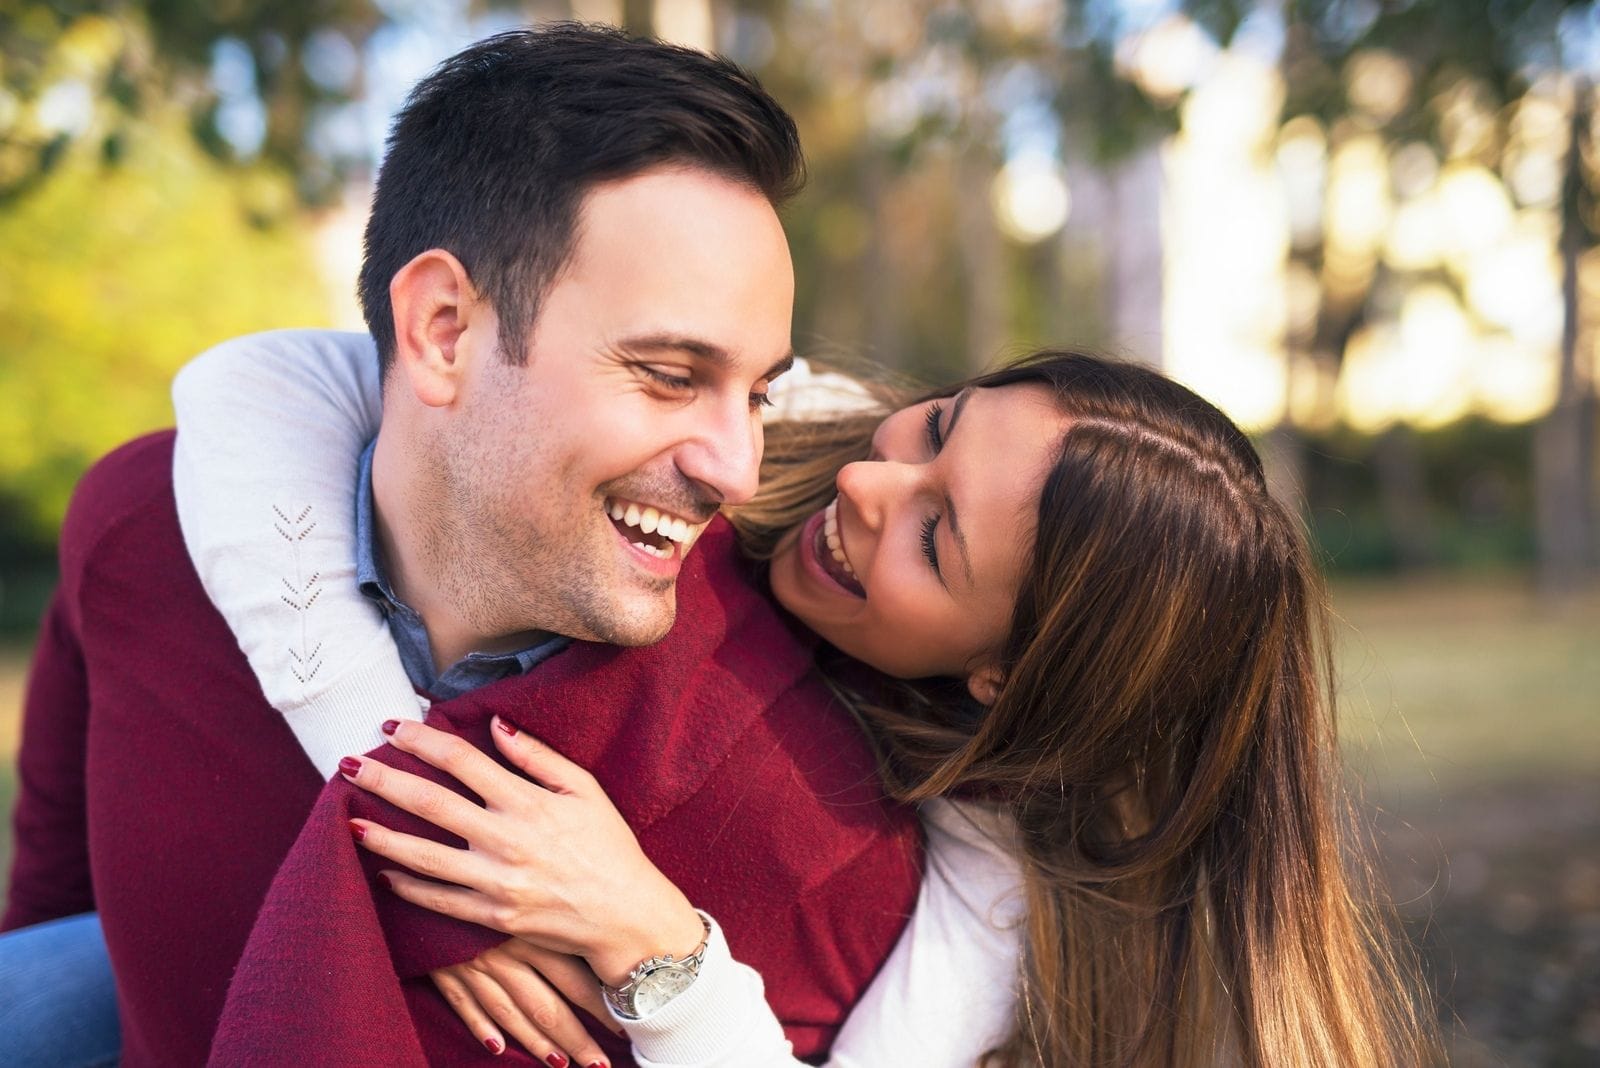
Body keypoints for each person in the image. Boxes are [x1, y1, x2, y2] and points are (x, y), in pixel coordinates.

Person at [0, 25, 928, 1068]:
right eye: (671, 374)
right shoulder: (140, 529)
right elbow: (52, 913)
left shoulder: (810, 815)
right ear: (443, 329)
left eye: (756, 395)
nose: (736, 469)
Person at [173, 341, 1435, 1067]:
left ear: (1000, 676)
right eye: (936, 427)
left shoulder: (987, 884)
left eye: (936, 542)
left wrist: (639, 934)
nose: (871, 486)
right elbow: (256, 382)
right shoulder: (781, 411)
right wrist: (390, 770)